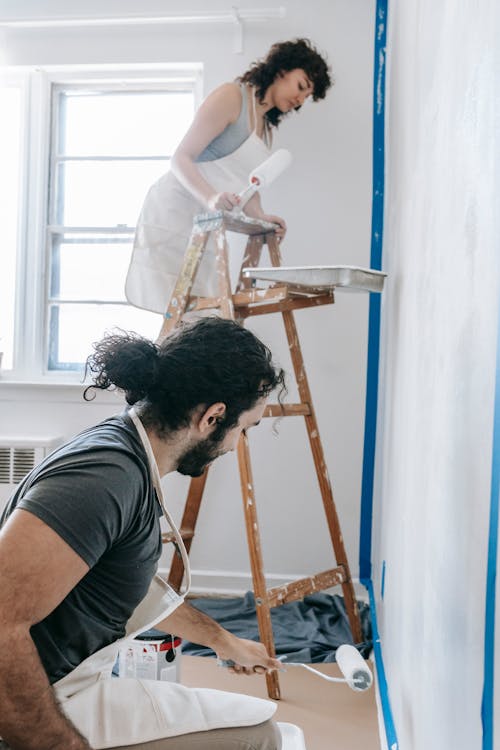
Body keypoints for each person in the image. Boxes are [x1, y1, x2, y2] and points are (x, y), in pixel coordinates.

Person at [0, 317, 287, 750]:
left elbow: (120, 585)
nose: (235, 445)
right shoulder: (105, 479)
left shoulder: (128, 458)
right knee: (258, 737)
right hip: (36, 698)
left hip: (66, 678)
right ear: (212, 418)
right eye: (244, 429)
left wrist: (220, 640)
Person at [125, 38, 332, 314]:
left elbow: (246, 183)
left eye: (306, 98)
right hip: (175, 209)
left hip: (207, 222)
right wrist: (210, 197)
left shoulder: (266, 130)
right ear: (282, 69)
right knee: (175, 309)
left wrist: (262, 217)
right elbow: (180, 158)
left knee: (199, 314)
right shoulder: (232, 97)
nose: (300, 99)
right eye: (301, 86)